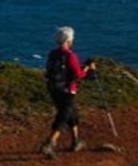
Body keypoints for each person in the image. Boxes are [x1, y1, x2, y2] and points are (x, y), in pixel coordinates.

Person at [39, 25, 96, 158]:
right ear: (69, 40)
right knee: (63, 116)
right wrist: (88, 68)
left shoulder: (53, 54)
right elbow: (79, 74)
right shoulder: (71, 56)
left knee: (71, 112)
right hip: (67, 90)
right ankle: (50, 142)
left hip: (53, 88)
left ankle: (76, 141)